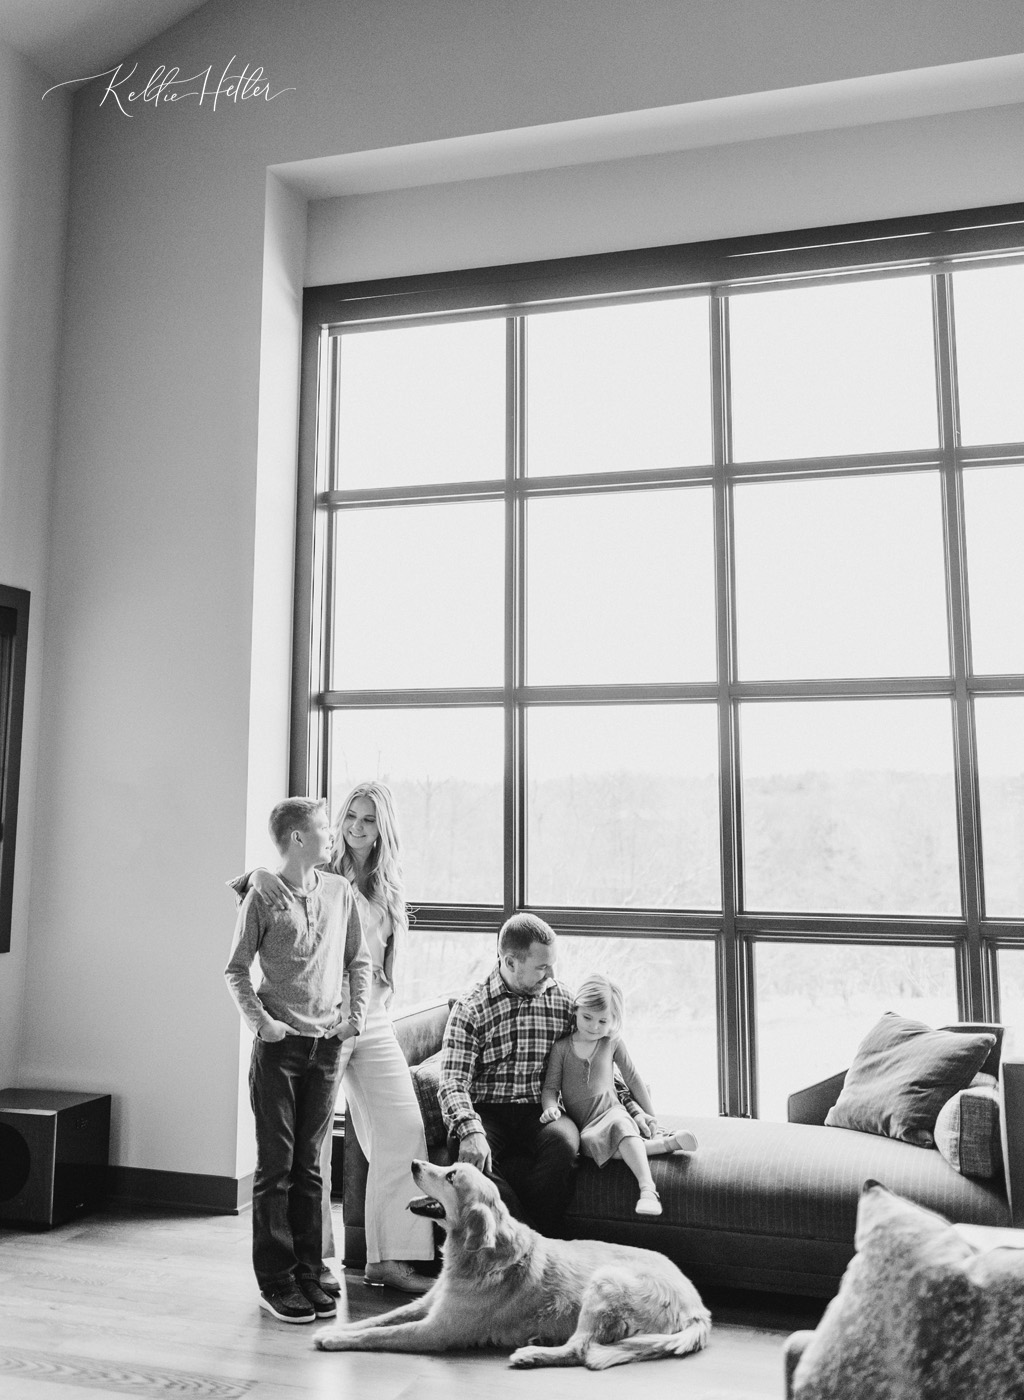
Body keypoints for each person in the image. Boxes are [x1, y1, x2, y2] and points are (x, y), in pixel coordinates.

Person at [231, 781, 434, 1295]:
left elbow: (373, 962)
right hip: (316, 1023)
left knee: (403, 1128)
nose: (356, 827)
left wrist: (366, 1011)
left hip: (371, 1019)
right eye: (350, 817)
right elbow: (263, 887)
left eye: (368, 819)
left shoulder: (387, 886)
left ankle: (390, 1258)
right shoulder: (322, 868)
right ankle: (312, 1261)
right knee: (310, 1150)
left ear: (383, 827)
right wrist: (253, 873)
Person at [224, 797, 371, 1324]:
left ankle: (310, 1268)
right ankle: (277, 1279)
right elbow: (236, 970)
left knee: (311, 1168)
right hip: (279, 1050)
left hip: (327, 1047)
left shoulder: (338, 891)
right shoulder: (261, 896)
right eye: (324, 828)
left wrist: (354, 1016)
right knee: (276, 1168)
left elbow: (358, 960)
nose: (333, 835)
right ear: (297, 839)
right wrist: (262, 1023)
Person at [437, 913, 643, 1238]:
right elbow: (452, 1082)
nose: (552, 973)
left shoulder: (561, 1001)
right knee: (470, 1161)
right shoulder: (471, 1009)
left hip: (542, 1109)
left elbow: (596, 1064)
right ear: (510, 961)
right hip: (486, 1110)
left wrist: (633, 1110)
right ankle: (533, 1243)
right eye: (542, 966)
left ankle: (529, 1245)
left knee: (563, 1145)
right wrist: (469, 1130)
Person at [540, 972, 698, 1217]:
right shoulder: (561, 1048)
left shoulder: (611, 1042)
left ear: (614, 1020)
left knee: (620, 1127)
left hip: (612, 1111)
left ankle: (648, 1190)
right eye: (587, 1017)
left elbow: (633, 1078)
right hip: (585, 1124)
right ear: (576, 1009)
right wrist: (549, 1107)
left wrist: (650, 1115)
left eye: (603, 1021)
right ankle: (665, 1145)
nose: (594, 1026)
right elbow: (550, 1088)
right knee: (598, 1149)